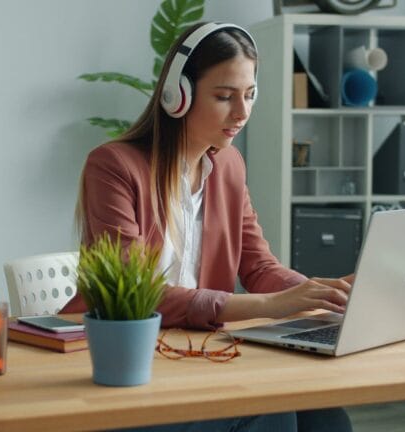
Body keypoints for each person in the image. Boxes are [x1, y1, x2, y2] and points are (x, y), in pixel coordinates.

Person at [62, 22, 353, 432]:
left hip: (195, 355)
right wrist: (271, 306)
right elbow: (136, 294)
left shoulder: (228, 166)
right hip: (124, 368)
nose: (242, 112)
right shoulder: (113, 166)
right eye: (224, 96)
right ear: (177, 95)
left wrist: (322, 294)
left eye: (250, 95)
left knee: (326, 412)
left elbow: (259, 267)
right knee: (273, 412)